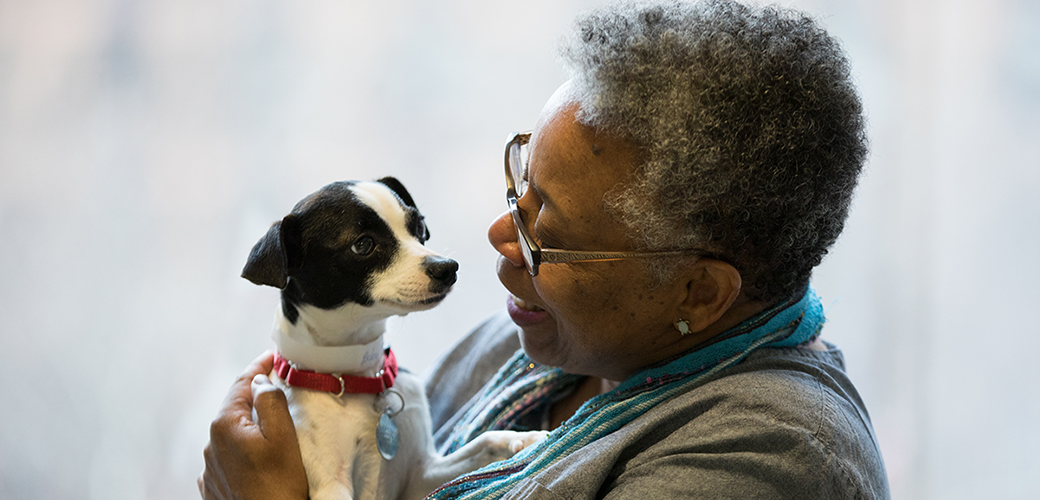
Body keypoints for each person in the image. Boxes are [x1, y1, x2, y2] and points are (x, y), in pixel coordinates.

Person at [199, 1, 890, 498]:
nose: (502, 235)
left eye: (548, 232)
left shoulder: (768, 461)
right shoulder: (532, 341)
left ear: (698, 292)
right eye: (519, 188)